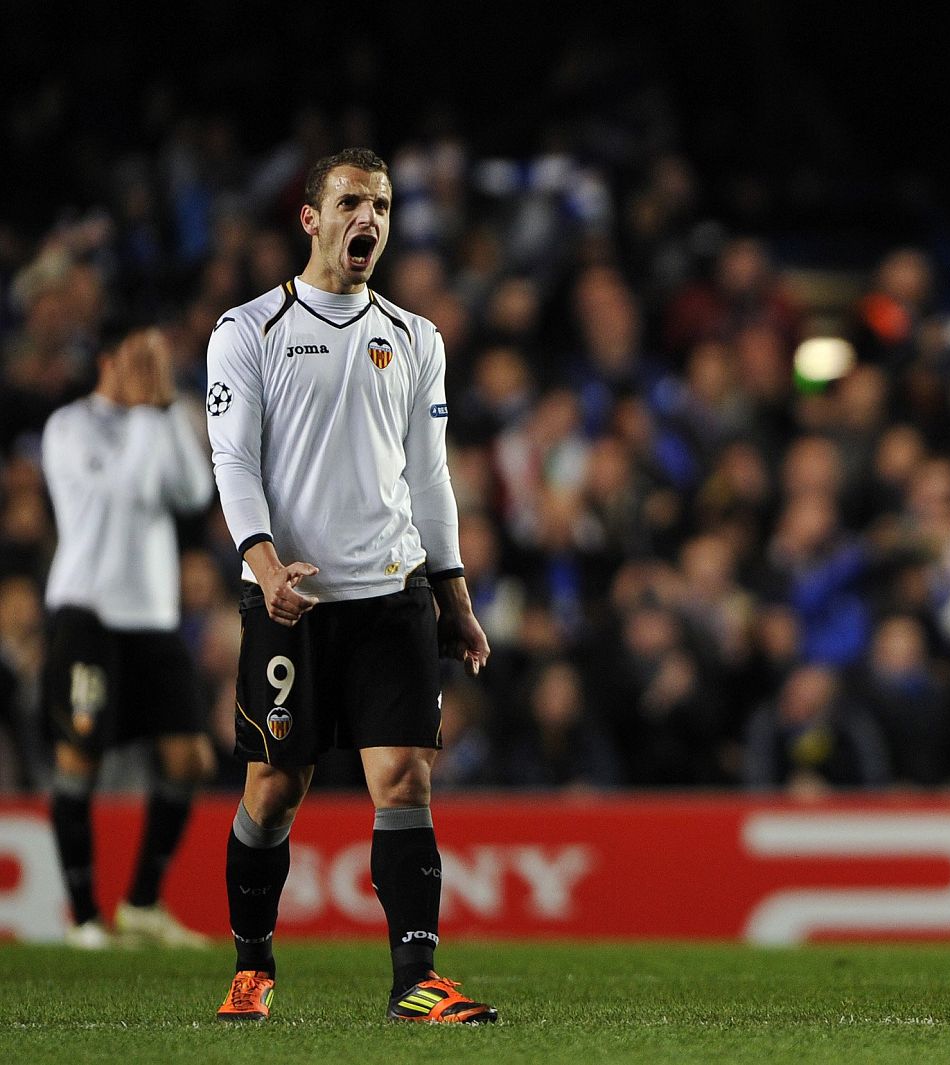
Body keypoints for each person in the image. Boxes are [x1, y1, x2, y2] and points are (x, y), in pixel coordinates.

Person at [205, 148, 496, 1024]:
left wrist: (453, 593)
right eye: (350, 203)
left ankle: (417, 980)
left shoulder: (415, 337)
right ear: (311, 218)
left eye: (380, 204)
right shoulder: (246, 330)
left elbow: (431, 476)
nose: (367, 218)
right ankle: (253, 965)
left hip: (392, 591)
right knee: (274, 788)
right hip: (291, 596)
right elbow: (232, 460)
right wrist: (261, 562)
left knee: (403, 777)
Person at [40, 325, 217, 948]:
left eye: (160, 357)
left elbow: (194, 492)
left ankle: (142, 904)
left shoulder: (161, 416)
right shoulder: (70, 427)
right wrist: (151, 414)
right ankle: (85, 917)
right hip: (87, 613)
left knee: (190, 756)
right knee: (80, 755)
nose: (153, 367)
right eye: (143, 356)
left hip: (152, 616)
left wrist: (162, 411)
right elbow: (124, 492)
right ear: (109, 359)